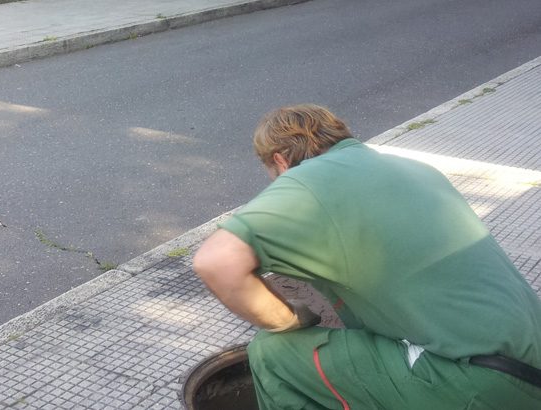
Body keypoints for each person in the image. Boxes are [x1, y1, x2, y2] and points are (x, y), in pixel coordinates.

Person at [192, 104, 541, 409]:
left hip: (481, 384)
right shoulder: (414, 168)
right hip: (526, 366)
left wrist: (289, 322)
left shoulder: (304, 183)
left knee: (273, 354)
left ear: (280, 161)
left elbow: (217, 262)